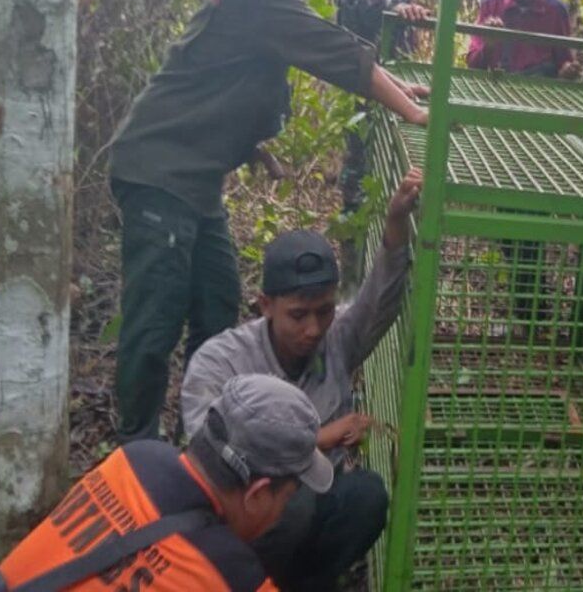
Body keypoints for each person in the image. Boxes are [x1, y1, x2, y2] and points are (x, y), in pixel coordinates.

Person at [106, 0, 428, 444]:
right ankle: (134, 453)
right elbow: (335, 51)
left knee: (215, 306)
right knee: (154, 321)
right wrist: (413, 110)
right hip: (160, 172)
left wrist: (251, 145)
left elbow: (218, 76)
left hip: (197, 181)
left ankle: (203, 443)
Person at [179, 169, 422, 592]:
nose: (313, 329)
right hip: (238, 521)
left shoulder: (336, 339)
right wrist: (322, 438)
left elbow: (377, 303)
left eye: (325, 311)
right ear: (265, 305)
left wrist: (396, 227)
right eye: (298, 315)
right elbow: (210, 457)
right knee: (294, 501)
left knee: (365, 497)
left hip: (308, 512)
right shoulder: (220, 361)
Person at [0, 374, 333, 591]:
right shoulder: (233, 578)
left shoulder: (134, 458)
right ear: (258, 494)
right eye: (288, 497)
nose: (281, 513)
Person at [335, 0, 429, 274]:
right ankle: (352, 277)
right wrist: (398, 7)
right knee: (359, 188)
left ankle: (385, 268)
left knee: (392, 182)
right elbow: (372, 3)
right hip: (367, 102)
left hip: (399, 89)